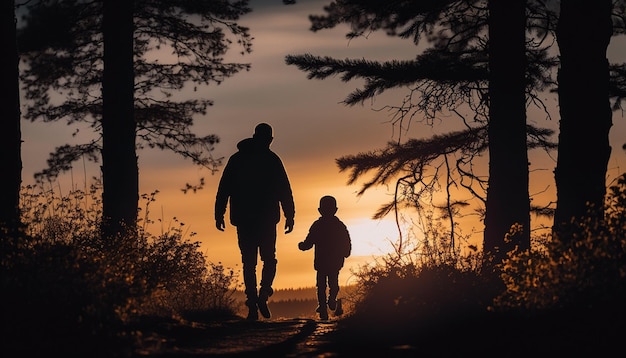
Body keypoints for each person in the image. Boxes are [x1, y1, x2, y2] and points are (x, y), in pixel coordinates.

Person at [215, 123, 295, 321]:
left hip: (248, 219)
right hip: (262, 219)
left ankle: (255, 301)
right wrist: (289, 215)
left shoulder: (238, 159)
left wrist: (219, 213)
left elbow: (224, 188)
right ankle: (261, 296)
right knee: (266, 259)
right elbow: (285, 189)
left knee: (250, 262)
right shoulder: (271, 159)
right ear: (266, 139)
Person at [298, 195, 351, 320]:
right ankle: (328, 302)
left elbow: (309, 241)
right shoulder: (339, 225)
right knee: (332, 283)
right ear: (335, 210)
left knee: (321, 285)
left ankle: (324, 305)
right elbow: (346, 241)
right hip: (334, 262)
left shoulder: (318, 225)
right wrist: (346, 252)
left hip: (322, 262)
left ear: (319, 210)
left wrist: (303, 246)